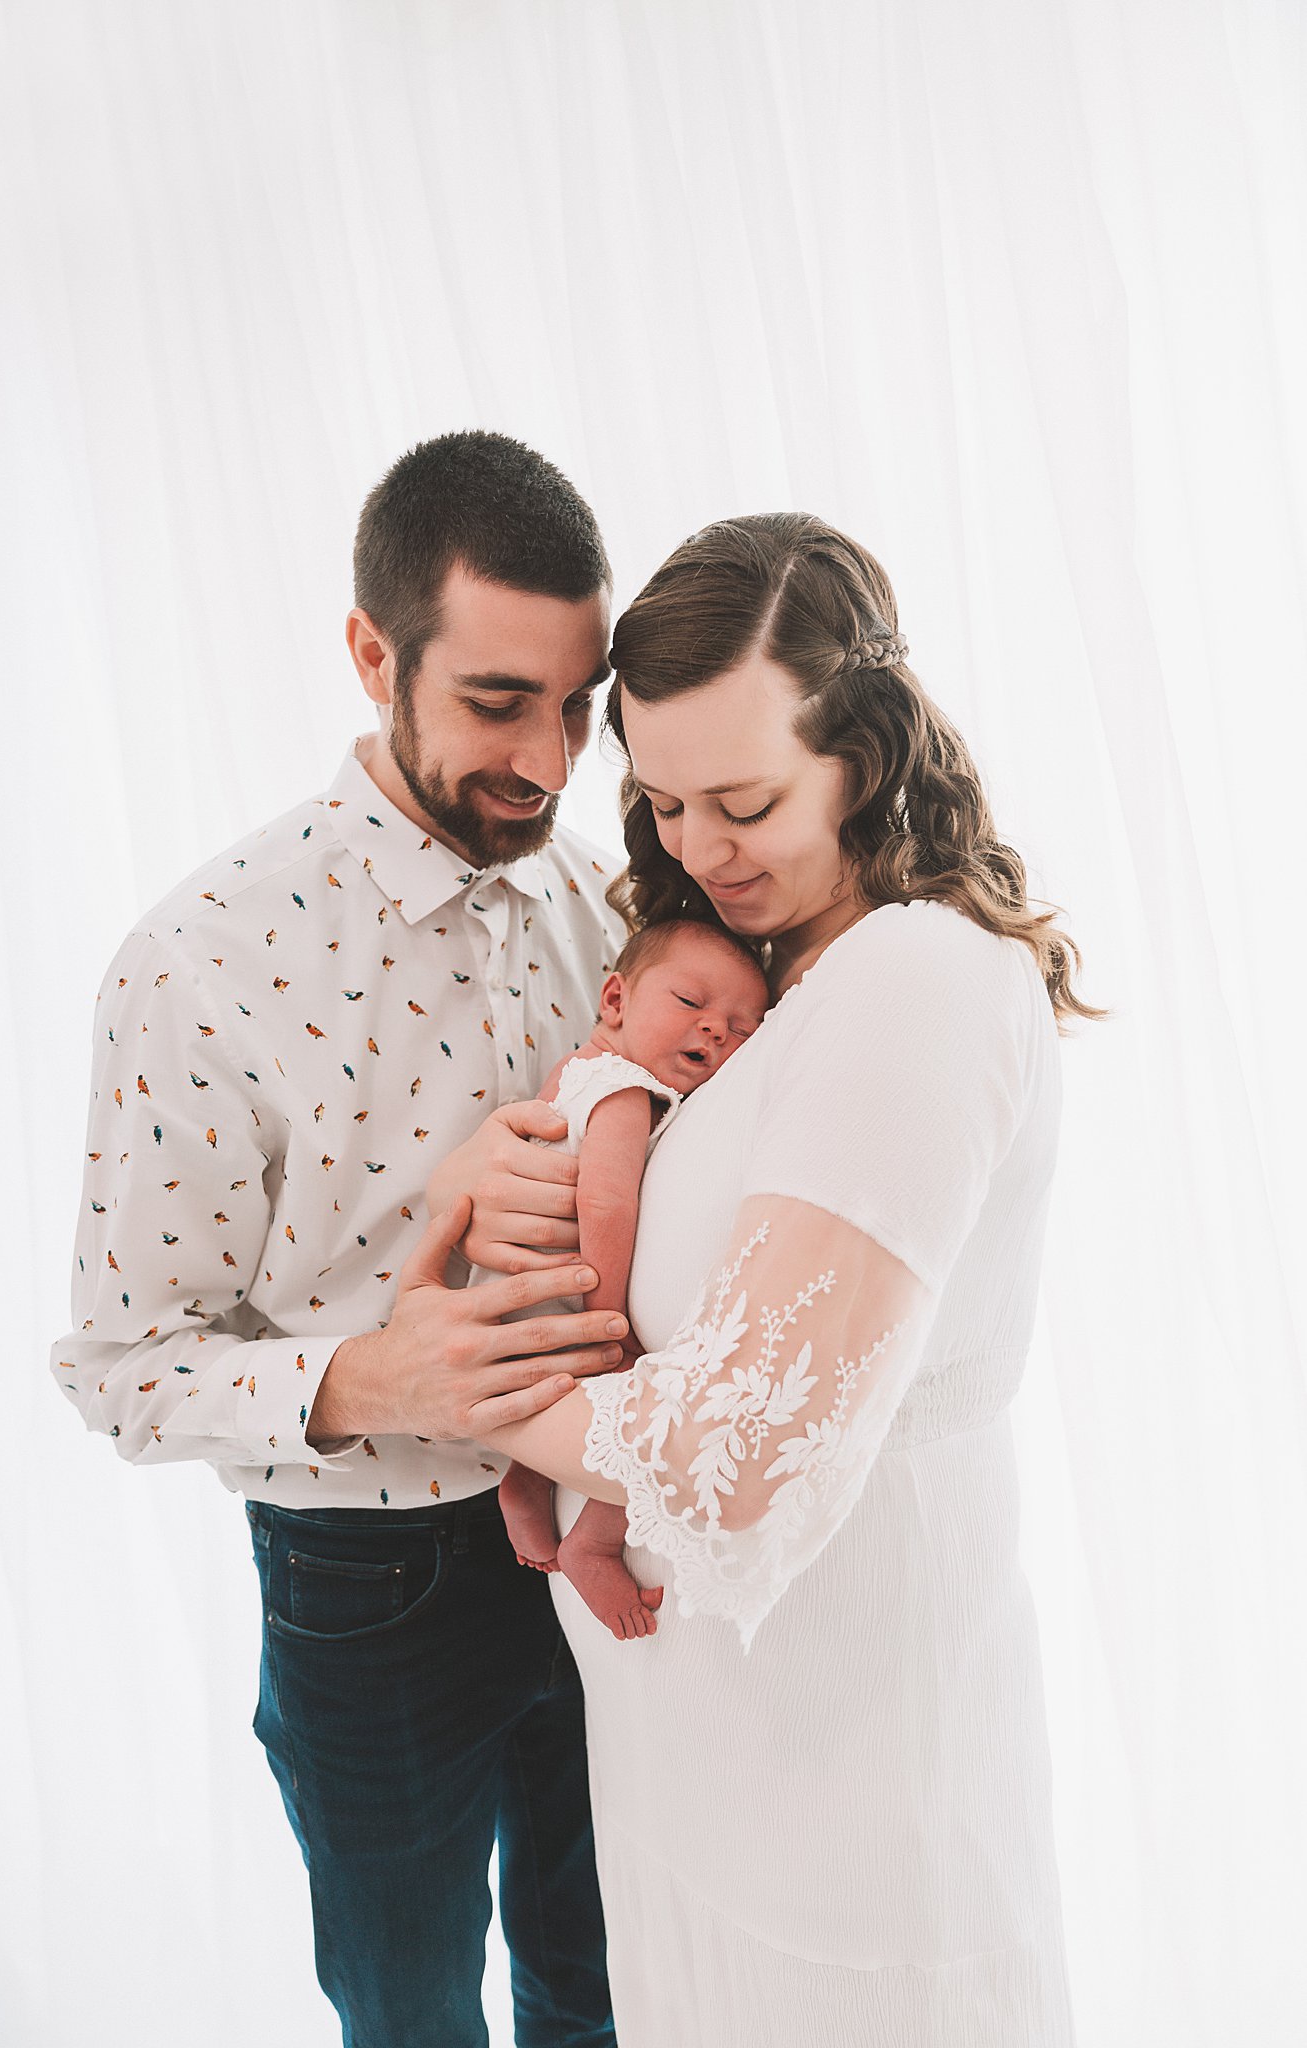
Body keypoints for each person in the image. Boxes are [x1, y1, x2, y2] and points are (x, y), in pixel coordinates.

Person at [426, 514, 1099, 2044]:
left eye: (743, 800)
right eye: (660, 803)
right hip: (709, 1764)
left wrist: (440, 1369)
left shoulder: (914, 980)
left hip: (844, 1776)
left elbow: (732, 1458)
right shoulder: (774, 974)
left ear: (862, 754)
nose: (693, 850)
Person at [50, 431, 629, 2048]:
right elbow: (115, 1367)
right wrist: (370, 1376)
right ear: (373, 652)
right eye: (499, 699)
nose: (549, 754)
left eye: (578, 704)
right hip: (366, 1585)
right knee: (408, 2009)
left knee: (612, 1988)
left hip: (612, 1538)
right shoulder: (195, 964)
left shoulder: (610, 908)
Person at [495, 918, 769, 1640]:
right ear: (615, 999)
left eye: (742, 1028)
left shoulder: (574, 1071)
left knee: (560, 1418)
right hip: (573, 1302)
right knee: (651, 1408)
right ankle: (595, 1541)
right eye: (690, 1003)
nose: (715, 1031)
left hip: (520, 1309)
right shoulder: (623, 1091)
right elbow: (607, 1202)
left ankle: (524, 1479)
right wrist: (611, 1324)